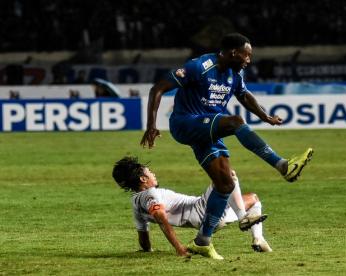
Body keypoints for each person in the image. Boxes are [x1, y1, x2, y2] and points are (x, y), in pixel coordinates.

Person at [140, 33, 312, 259]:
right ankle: (282, 165)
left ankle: (203, 240)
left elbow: (244, 95)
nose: (249, 60)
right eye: (246, 55)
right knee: (236, 122)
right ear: (233, 53)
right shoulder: (199, 66)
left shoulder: (234, 73)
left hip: (207, 129)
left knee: (225, 185)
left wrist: (266, 116)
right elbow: (158, 88)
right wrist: (151, 125)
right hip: (185, 123)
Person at [112, 156, 272, 259]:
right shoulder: (151, 194)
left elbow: (143, 235)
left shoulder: (135, 202)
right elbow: (160, 216)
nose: (154, 174)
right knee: (228, 174)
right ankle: (243, 218)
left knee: (253, 199)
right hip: (204, 210)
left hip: (205, 221)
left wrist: (147, 250)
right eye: (150, 172)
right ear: (143, 178)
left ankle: (259, 239)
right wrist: (179, 247)